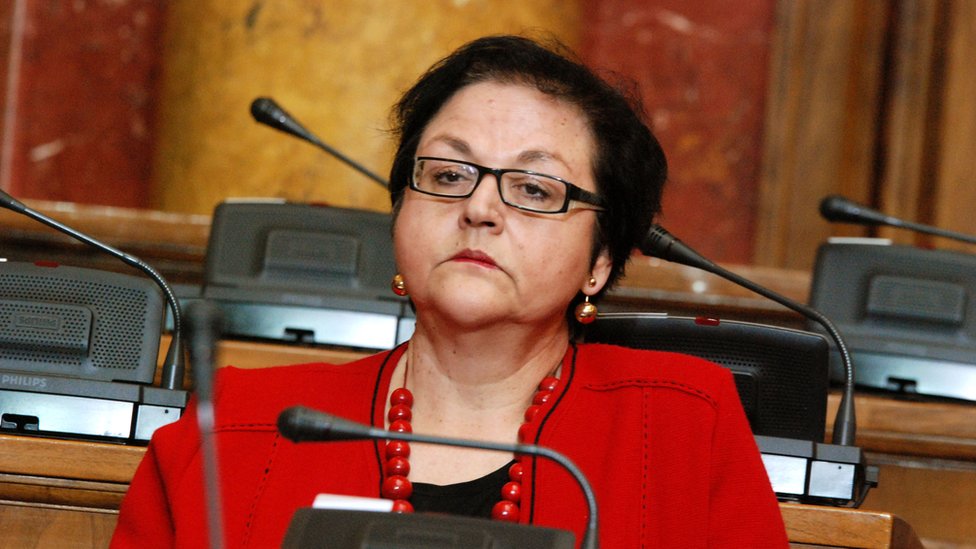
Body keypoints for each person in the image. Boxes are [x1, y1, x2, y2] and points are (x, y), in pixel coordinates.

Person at [111, 34, 788, 548]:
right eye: (448, 175)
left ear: (601, 262)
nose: (479, 209)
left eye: (534, 189)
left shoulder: (682, 426)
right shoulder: (231, 430)